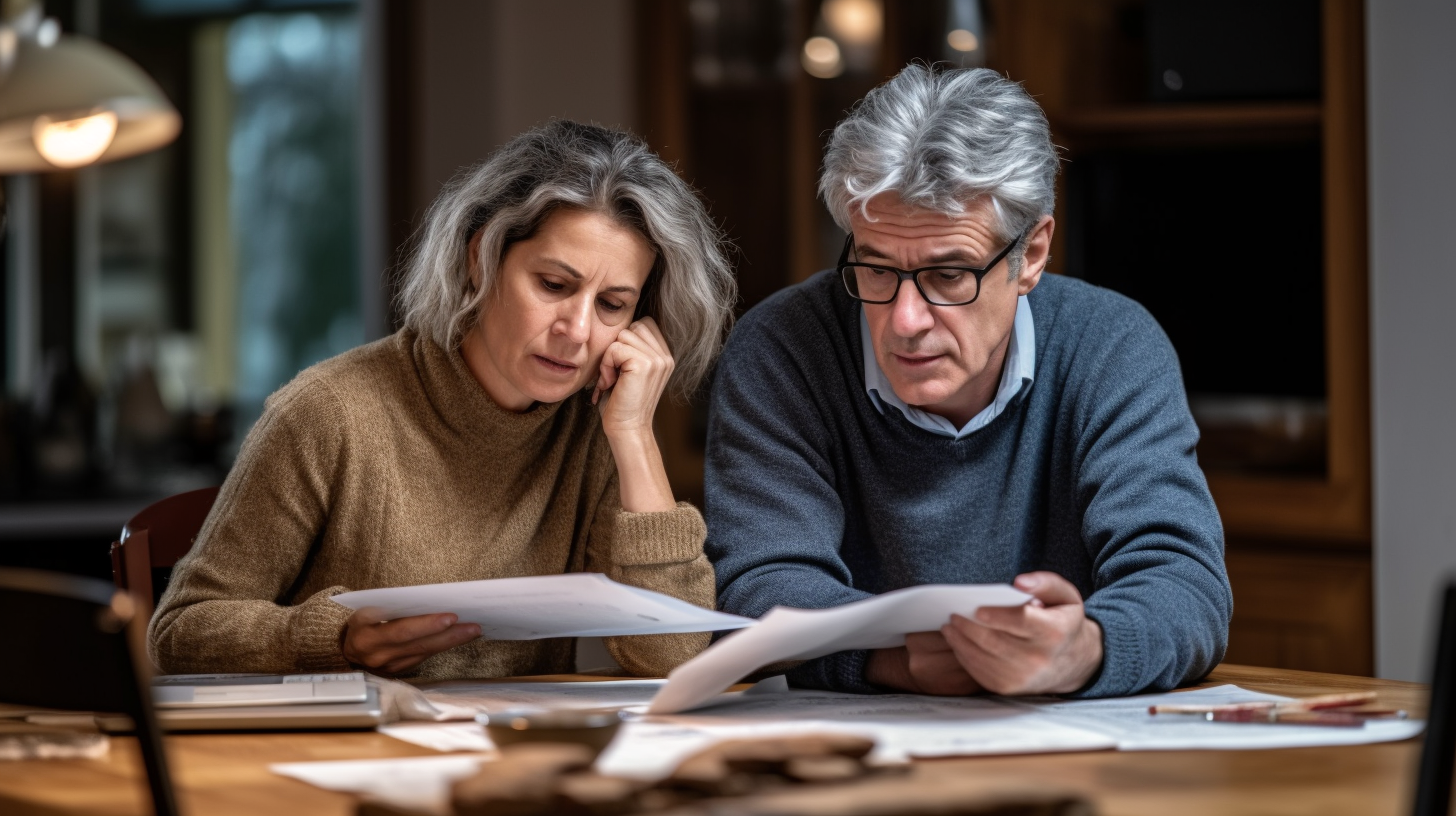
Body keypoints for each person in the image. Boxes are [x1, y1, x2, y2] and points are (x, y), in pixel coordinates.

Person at [704, 66, 1231, 699]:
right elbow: (759, 588)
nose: (905, 321)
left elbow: (1182, 581)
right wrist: (895, 662)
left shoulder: (1112, 346)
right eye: (875, 269)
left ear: (1030, 255)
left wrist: (1086, 649)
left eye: (949, 275)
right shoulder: (782, 349)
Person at [150, 121, 737, 680]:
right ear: (479, 260)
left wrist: (634, 434)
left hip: (512, 755)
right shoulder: (326, 412)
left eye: (612, 304)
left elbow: (672, 653)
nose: (578, 331)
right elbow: (180, 631)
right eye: (554, 285)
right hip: (342, 759)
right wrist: (336, 638)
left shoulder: (599, 427)